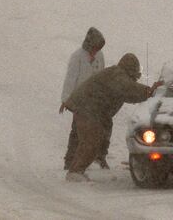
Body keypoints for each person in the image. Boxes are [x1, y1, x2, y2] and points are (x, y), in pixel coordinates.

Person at [62, 53, 164, 182]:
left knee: (100, 133)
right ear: (131, 70)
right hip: (88, 108)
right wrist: (149, 92)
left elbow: (128, 93)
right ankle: (75, 171)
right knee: (91, 140)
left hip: (92, 110)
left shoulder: (116, 75)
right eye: (135, 75)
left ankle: (94, 162)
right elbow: (129, 89)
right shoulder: (118, 75)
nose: (135, 79)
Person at [60, 27, 109, 170]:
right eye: (94, 48)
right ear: (89, 45)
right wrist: (66, 100)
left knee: (100, 128)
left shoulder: (100, 56)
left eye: (99, 48)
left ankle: (99, 157)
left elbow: (101, 77)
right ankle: (69, 160)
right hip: (80, 100)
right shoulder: (77, 57)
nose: (96, 51)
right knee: (77, 130)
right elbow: (70, 79)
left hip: (96, 100)